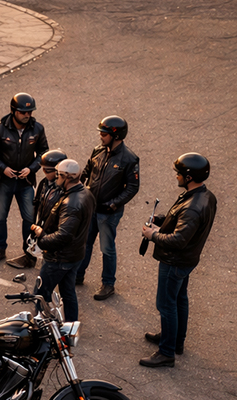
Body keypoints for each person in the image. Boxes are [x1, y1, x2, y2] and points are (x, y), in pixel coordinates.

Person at [138, 153, 217, 368]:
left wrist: (153, 235)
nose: (176, 177)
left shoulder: (192, 206)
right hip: (187, 260)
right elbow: (184, 225)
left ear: (189, 177)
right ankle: (175, 341)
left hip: (175, 261)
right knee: (180, 298)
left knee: (166, 304)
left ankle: (166, 352)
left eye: (179, 174)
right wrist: (162, 221)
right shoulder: (204, 196)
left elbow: (179, 239)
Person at [76, 115, 140, 301]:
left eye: (104, 133)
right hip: (91, 207)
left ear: (116, 135)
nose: (100, 136)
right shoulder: (98, 150)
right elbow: (88, 170)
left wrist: (113, 204)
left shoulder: (129, 159)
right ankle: (78, 276)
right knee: (85, 243)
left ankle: (108, 284)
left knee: (107, 248)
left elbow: (133, 188)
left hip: (108, 213)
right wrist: (79, 188)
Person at [0, 93, 49, 266]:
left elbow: (44, 151)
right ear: (13, 111)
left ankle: (28, 253)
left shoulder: (38, 129)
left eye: (30, 112)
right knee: (0, 217)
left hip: (25, 182)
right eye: (23, 112)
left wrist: (32, 169)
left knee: (29, 218)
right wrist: (3, 168)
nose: (27, 115)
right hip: (4, 180)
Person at [30, 159, 94, 322]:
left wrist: (42, 237)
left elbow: (63, 235)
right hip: (75, 255)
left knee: (40, 295)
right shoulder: (86, 194)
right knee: (68, 292)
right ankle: (71, 326)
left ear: (66, 177)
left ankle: (40, 328)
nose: (55, 178)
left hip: (59, 258)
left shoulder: (71, 203)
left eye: (58, 175)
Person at [8, 149, 69, 269]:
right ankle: (29, 258)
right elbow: (37, 202)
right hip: (44, 223)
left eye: (46, 170)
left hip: (54, 229)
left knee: (50, 260)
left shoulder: (64, 190)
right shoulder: (45, 183)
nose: (43, 172)